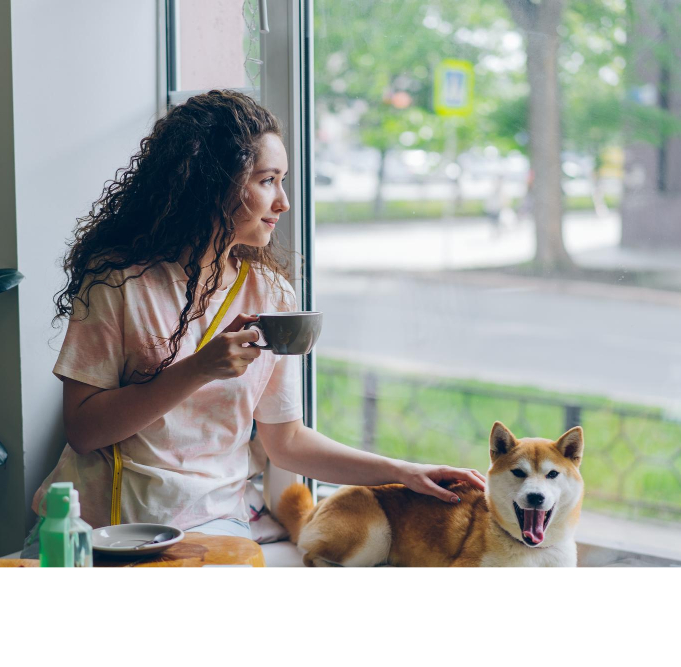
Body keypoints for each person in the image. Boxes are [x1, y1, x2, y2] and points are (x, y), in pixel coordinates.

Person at [25, 90, 485, 553]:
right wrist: (198, 369)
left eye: (282, 181)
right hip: (98, 527)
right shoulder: (118, 284)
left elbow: (285, 442)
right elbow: (84, 432)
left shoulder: (270, 294)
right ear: (210, 183)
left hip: (211, 526)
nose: (283, 202)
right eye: (267, 180)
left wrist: (404, 472)